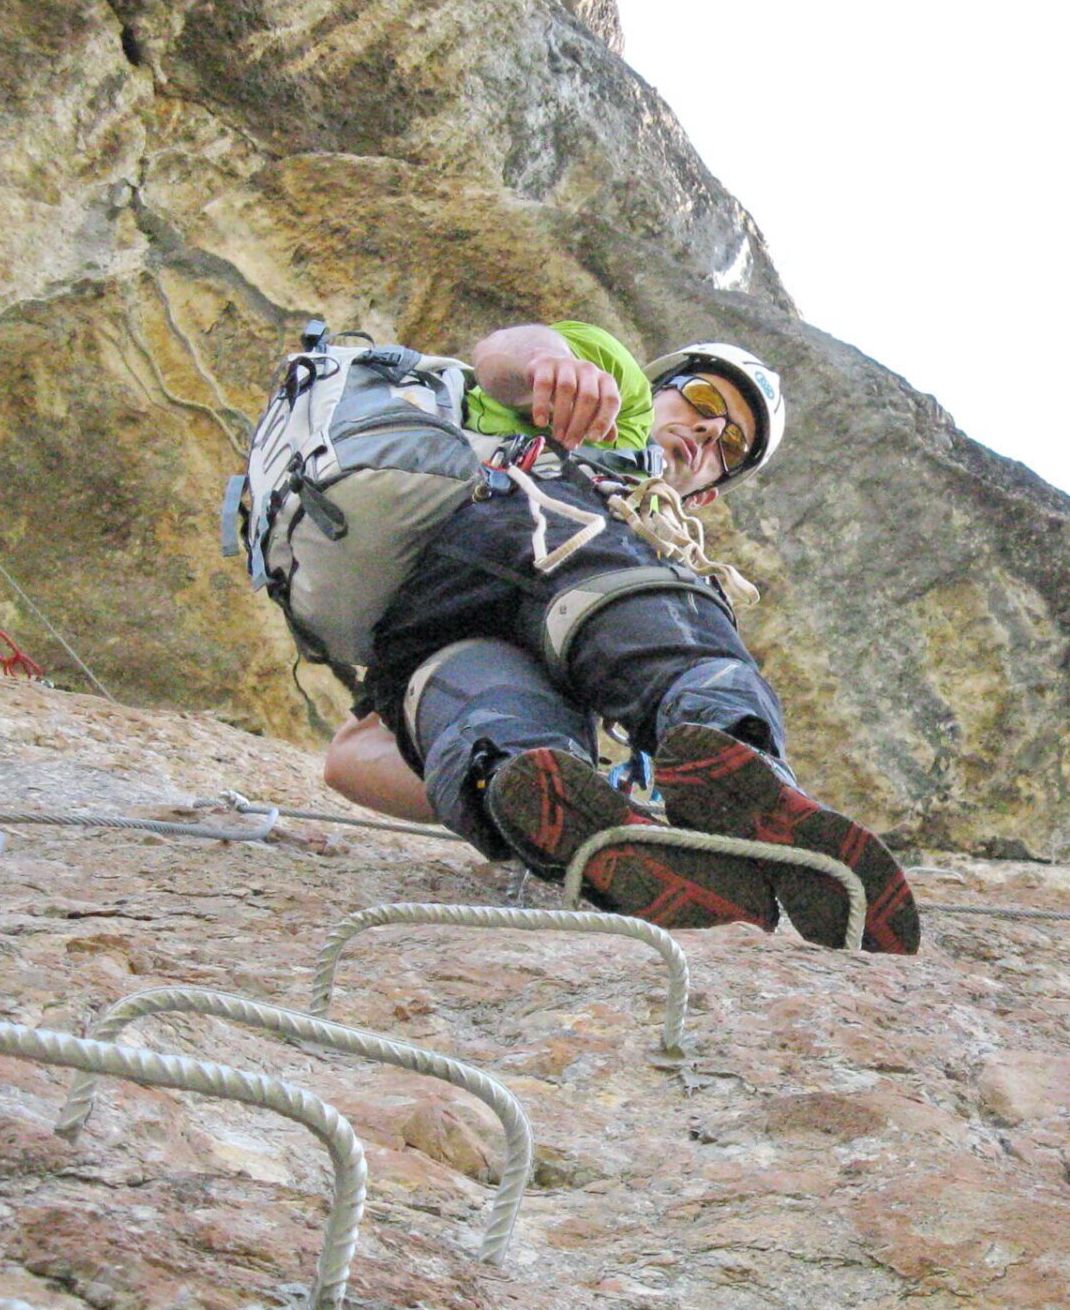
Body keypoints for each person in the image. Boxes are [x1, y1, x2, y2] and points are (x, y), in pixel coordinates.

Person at [325, 320, 917, 953]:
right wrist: (555, 365)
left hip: (440, 618)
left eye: (731, 444)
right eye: (705, 401)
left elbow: (347, 762)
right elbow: (501, 354)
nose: (711, 431)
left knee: (491, 722)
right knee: (689, 652)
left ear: (707, 498)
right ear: (658, 387)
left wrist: (502, 783)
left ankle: (527, 787)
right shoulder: (618, 396)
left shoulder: (654, 508)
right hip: (572, 561)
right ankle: (740, 755)